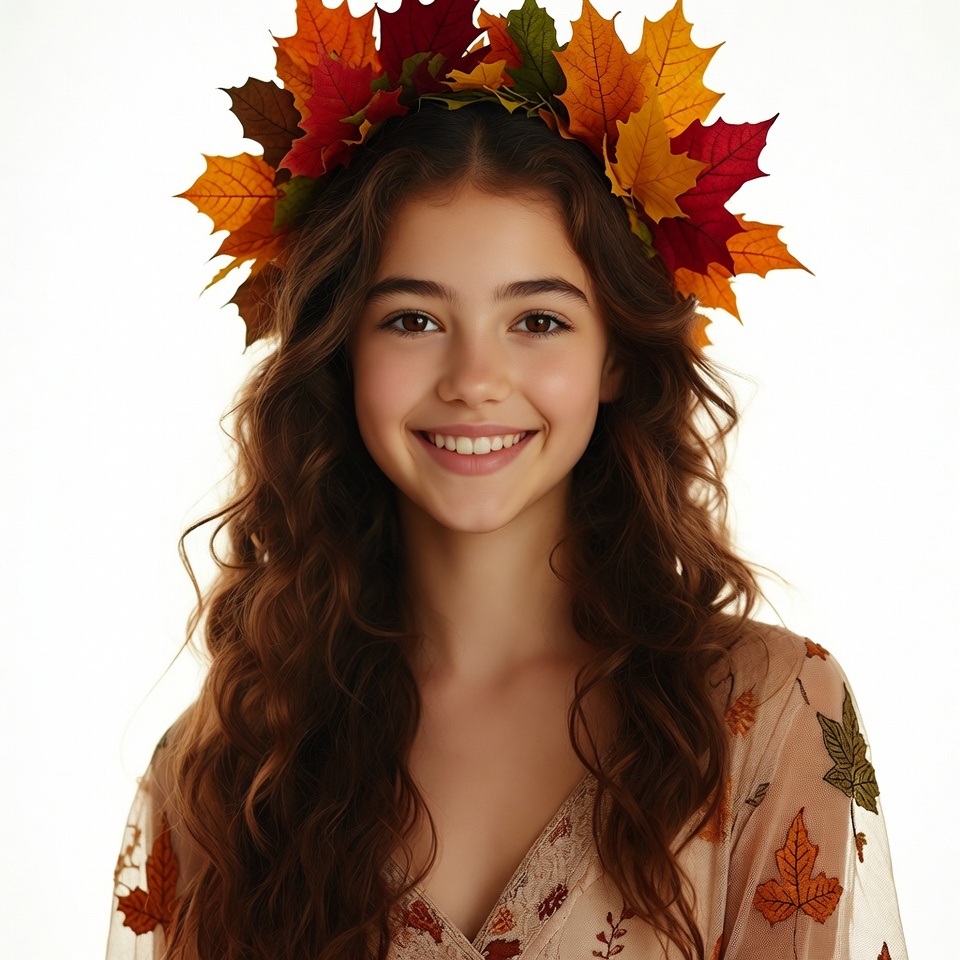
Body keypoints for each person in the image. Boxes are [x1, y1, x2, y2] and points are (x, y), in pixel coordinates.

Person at [106, 2, 907, 958]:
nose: (474, 380)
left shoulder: (767, 713)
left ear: (616, 357)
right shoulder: (230, 769)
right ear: (341, 353)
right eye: (412, 319)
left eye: (539, 321)